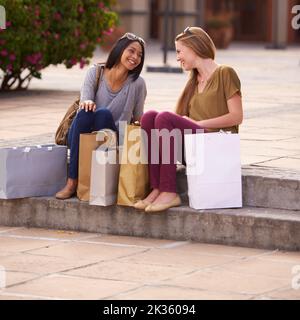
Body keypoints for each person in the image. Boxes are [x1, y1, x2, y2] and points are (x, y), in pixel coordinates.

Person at [135, 26, 243, 212]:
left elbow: (237, 116)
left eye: (179, 51)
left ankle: (169, 191)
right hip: (194, 149)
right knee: (150, 117)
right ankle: (158, 188)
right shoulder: (193, 82)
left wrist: (198, 124)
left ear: (194, 47)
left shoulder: (226, 73)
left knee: (164, 117)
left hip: (214, 146)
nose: (177, 57)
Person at [56, 33, 147, 200]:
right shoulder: (95, 72)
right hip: (84, 132)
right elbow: (85, 99)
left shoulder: (138, 84)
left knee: (103, 114)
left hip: (113, 141)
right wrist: (89, 102)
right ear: (119, 50)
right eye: (131, 51)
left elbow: (138, 118)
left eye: (140, 55)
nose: (135, 57)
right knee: (86, 111)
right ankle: (72, 182)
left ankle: (73, 181)